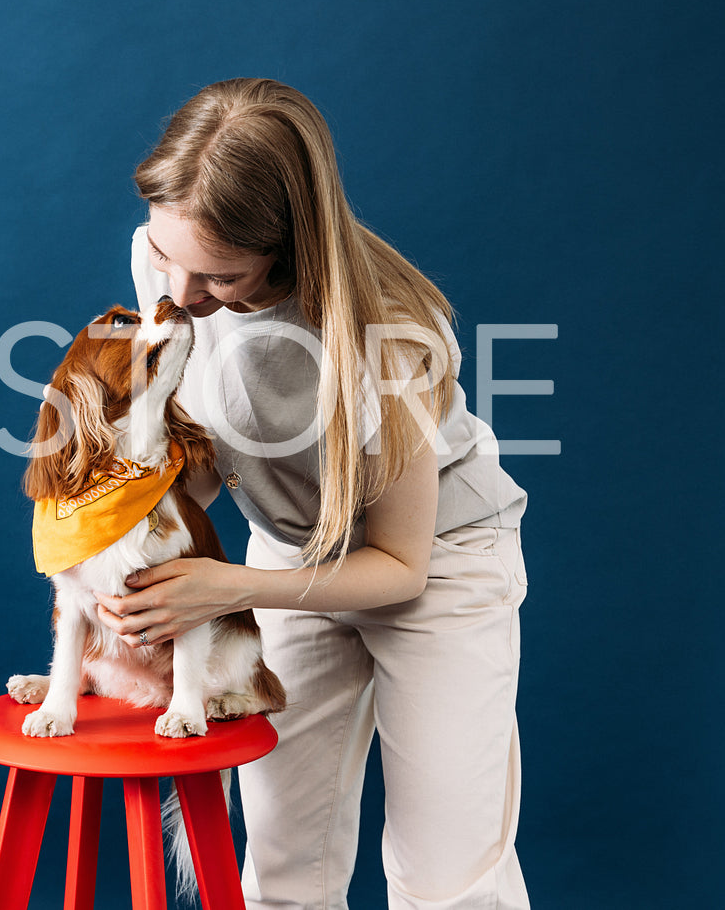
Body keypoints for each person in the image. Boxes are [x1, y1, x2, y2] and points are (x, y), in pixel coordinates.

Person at [93, 78, 530, 910]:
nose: (177, 296)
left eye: (216, 277)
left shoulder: (386, 337)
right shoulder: (173, 263)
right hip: (290, 550)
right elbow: (216, 449)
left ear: (286, 247)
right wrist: (128, 537)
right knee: (282, 871)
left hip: (436, 570)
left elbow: (399, 564)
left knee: (446, 885)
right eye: (164, 255)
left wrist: (227, 588)